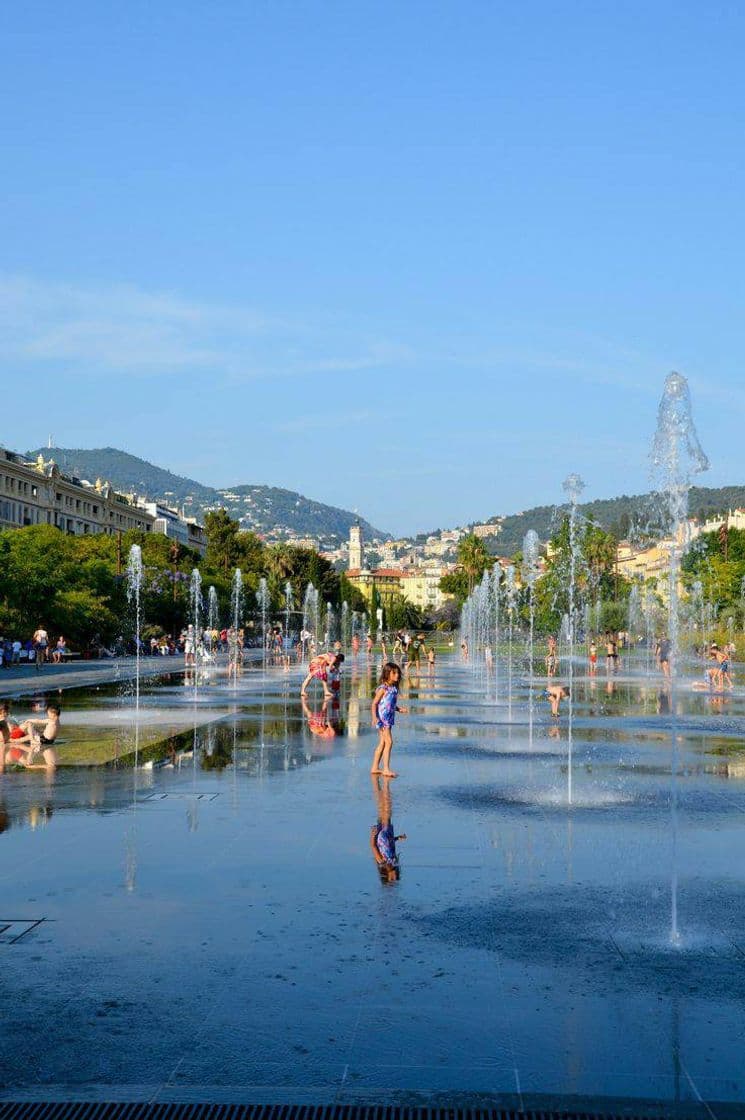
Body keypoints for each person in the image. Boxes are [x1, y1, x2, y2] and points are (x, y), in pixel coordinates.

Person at [370, 662, 407, 777]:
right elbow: (374, 703)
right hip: (383, 719)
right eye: (394, 673)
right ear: (387, 674)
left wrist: (398, 709)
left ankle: (375, 767)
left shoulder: (393, 688)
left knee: (382, 742)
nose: (397, 675)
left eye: (398, 673)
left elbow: (388, 704)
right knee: (389, 742)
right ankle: (386, 768)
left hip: (388, 717)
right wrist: (374, 717)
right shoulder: (383, 688)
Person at [370, 774, 407, 884]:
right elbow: (390, 845)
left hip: (381, 834)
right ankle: (383, 784)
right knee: (386, 808)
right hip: (389, 833)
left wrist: (373, 835)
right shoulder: (394, 862)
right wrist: (397, 838)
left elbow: (373, 846)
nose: (394, 877)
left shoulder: (382, 862)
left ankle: (382, 784)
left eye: (392, 879)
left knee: (385, 808)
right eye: (395, 878)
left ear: (387, 876)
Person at [5, 703, 61, 770]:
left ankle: (15, 740)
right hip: (48, 741)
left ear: (53, 713)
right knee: (30, 732)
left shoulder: (51, 721)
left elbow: (38, 721)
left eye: (48, 713)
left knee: (29, 726)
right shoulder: (58, 722)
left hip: (42, 740)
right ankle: (19, 738)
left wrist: (29, 720)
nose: (48, 715)